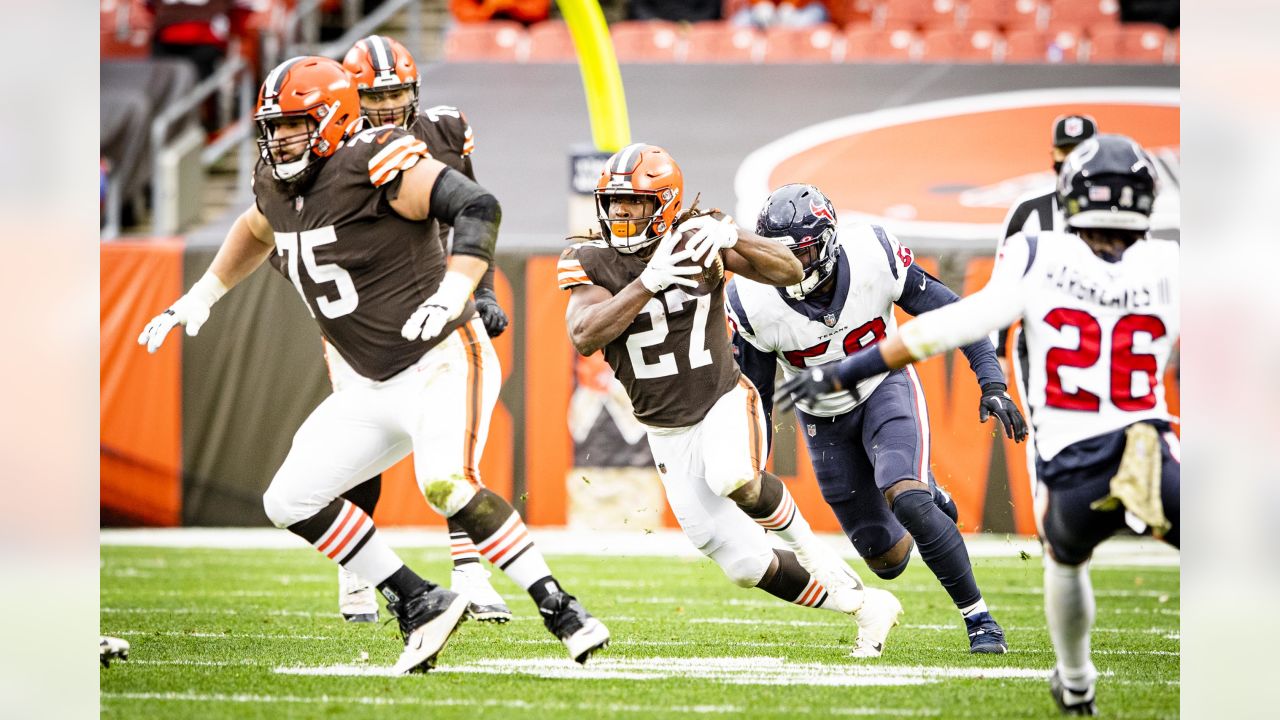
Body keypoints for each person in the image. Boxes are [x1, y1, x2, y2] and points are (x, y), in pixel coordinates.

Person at [138, 56, 610, 671]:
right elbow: (256, 228)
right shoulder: (276, 182)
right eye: (272, 127)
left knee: (446, 483)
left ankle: (562, 608)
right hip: (367, 381)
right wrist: (200, 296)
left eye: (294, 126)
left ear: (333, 120)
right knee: (289, 499)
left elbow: (478, 207)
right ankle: (417, 599)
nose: (279, 140)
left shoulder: (372, 162)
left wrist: (454, 289)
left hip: (440, 356)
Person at [778, 135, 1178, 714]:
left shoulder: (1038, 254)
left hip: (1072, 456)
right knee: (886, 562)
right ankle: (1084, 683)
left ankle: (1039, 656)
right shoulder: (1171, 262)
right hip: (1151, 444)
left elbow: (949, 320)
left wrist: (845, 374)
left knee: (1059, 557)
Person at [558, 143, 903, 658]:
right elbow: (585, 334)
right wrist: (648, 284)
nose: (619, 213)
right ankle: (865, 605)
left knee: (734, 477)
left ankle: (816, 553)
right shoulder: (587, 260)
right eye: (612, 202)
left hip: (721, 398)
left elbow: (790, 270)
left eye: (633, 201)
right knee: (745, 566)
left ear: (666, 203)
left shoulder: (699, 239)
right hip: (665, 429)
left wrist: (732, 233)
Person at [728, 183, 1026, 654]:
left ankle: (980, 620)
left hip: (885, 390)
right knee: (886, 561)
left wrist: (992, 382)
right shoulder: (751, 300)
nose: (792, 266)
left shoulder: (872, 253)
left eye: (802, 253)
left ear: (827, 242)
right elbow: (757, 399)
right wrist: (751, 473)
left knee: (906, 495)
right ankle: (930, 497)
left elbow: (953, 312)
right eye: (781, 254)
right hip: (822, 419)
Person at [336, 34, 511, 626]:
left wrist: (477, 290)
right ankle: (358, 573)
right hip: (362, 303)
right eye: (374, 96)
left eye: (396, 94)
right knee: (362, 449)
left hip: (435, 293)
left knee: (455, 439)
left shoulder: (443, 129)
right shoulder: (331, 147)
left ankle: (469, 571)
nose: (387, 107)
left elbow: (471, 211)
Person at [993, 114, 1099, 510]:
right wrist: (999, 351)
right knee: (1045, 431)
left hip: (1104, 334)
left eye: (1081, 150)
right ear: (1053, 154)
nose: (1072, 160)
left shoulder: (1118, 212)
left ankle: (1094, 516)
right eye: (1065, 150)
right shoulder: (1030, 211)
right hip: (1041, 337)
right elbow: (1004, 283)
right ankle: (1051, 520)